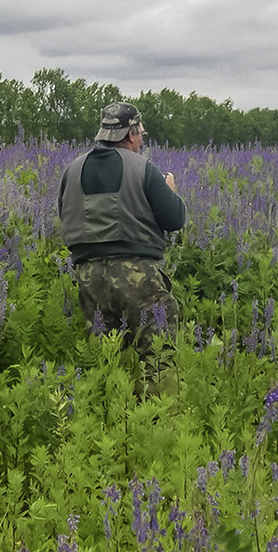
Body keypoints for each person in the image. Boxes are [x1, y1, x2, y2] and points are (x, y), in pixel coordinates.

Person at [58, 101, 186, 370]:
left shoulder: (72, 171)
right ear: (131, 134)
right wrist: (170, 191)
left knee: (105, 362)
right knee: (157, 359)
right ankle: (158, 411)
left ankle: (104, 408)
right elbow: (175, 220)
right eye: (141, 133)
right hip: (136, 275)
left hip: (88, 278)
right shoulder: (144, 168)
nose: (141, 141)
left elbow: (65, 215)